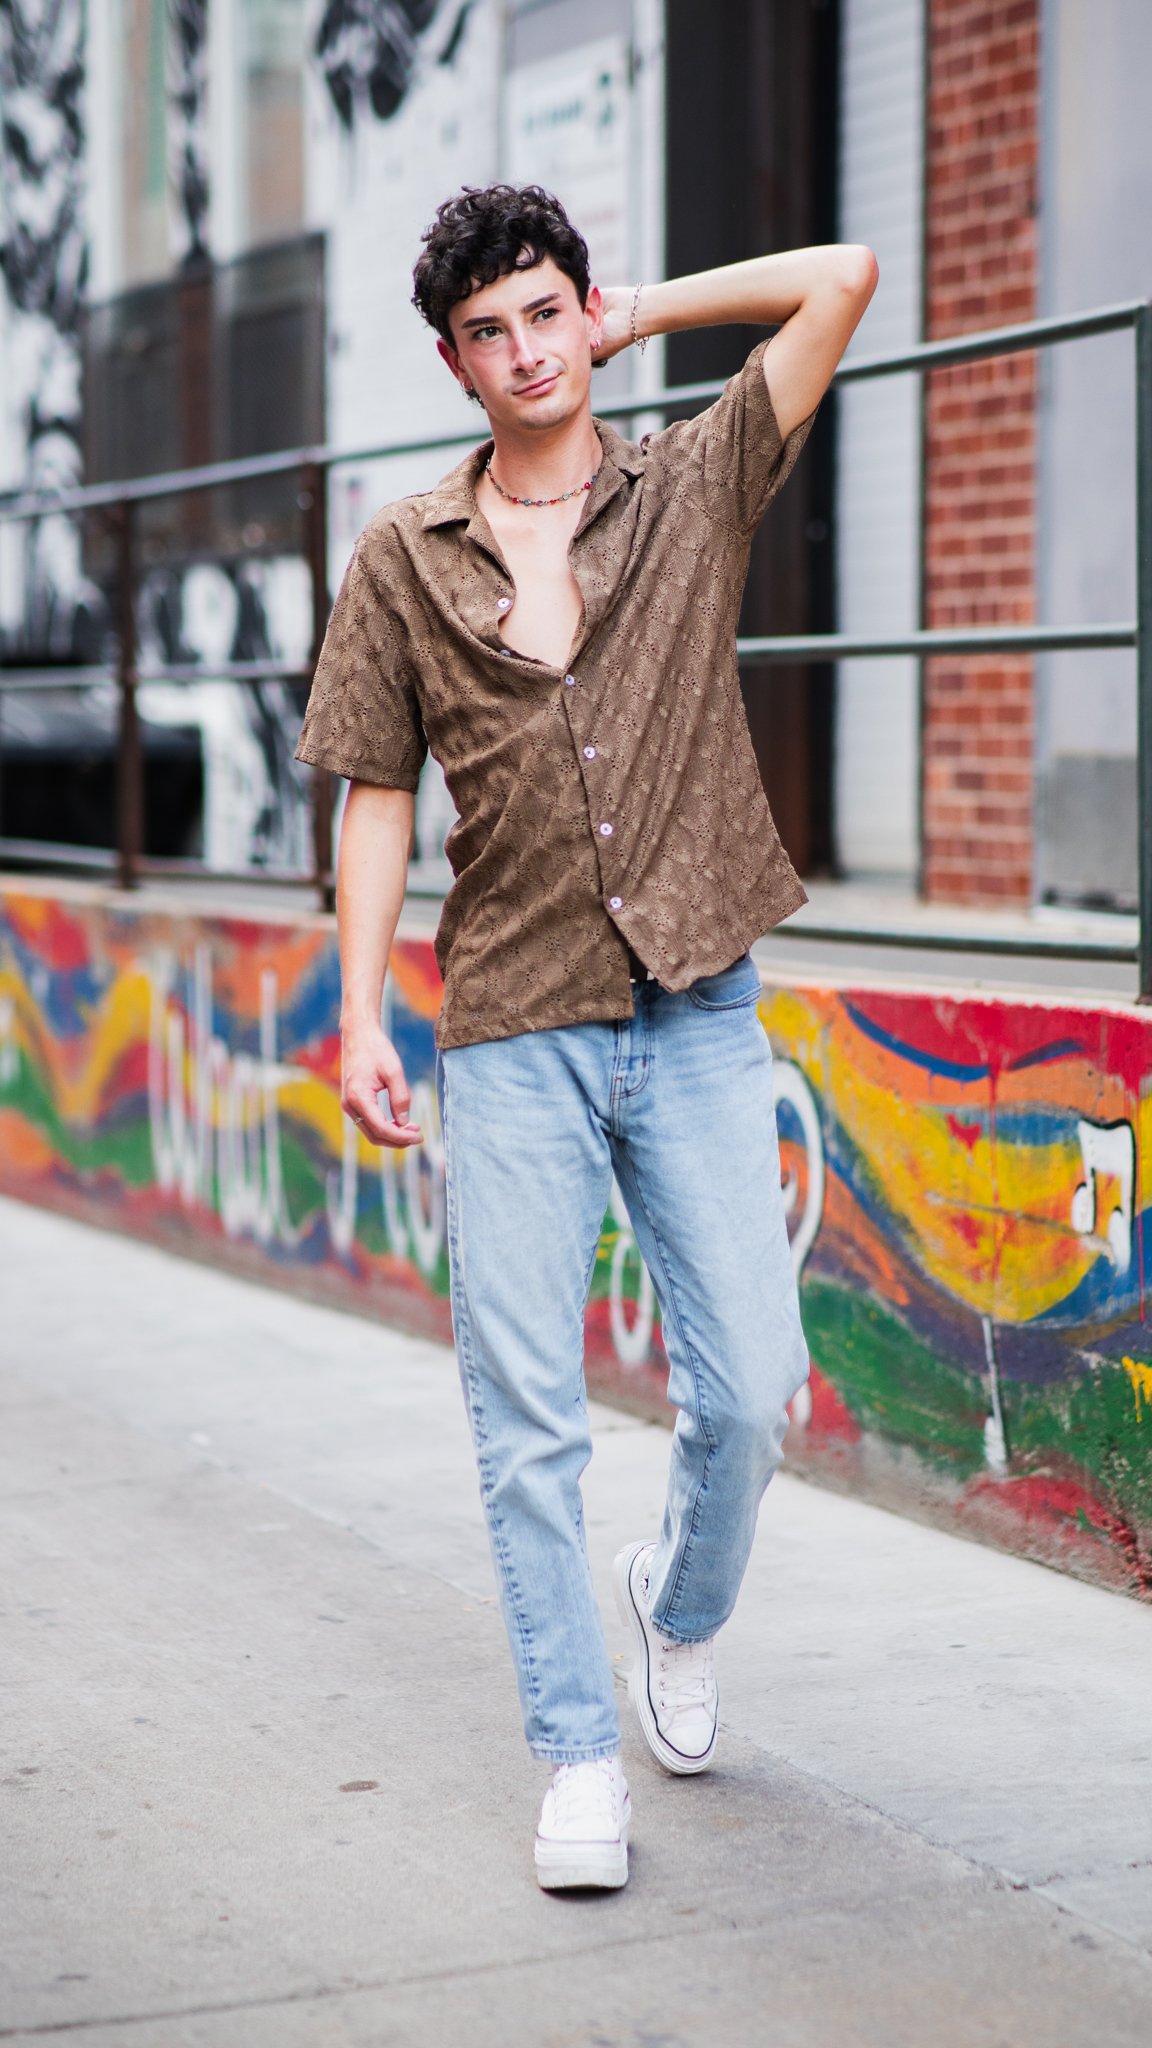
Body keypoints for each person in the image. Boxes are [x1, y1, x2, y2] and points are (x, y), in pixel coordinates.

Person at [296, 184, 877, 1892]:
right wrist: (357, 1015)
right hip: (511, 1021)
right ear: (452, 360)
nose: (527, 350)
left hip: (694, 1002)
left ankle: (675, 1607)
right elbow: (373, 795)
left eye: (547, 312)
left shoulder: (694, 482)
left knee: (753, 1390)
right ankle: (572, 1757)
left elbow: (840, 278)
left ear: (580, 311)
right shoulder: (405, 557)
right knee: (521, 1411)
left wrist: (642, 309)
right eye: (491, 330)